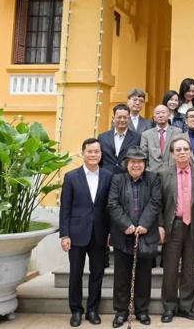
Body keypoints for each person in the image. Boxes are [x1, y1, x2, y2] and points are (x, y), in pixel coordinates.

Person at [59, 138, 113, 327]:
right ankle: (75, 310)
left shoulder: (108, 176)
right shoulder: (71, 177)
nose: (93, 155)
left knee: (97, 273)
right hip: (76, 234)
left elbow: (109, 208)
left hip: (99, 234)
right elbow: (65, 208)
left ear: (101, 154)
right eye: (90, 151)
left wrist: (110, 233)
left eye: (97, 152)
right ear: (83, 153)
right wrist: (64, 234)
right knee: (75, 274)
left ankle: (92, 310)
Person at [107, 147, 162, 328]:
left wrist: (143, 225)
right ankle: (121, 311)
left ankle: (142, 310)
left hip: (145, 234)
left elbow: (155, 202)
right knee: (121, 275)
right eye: (132, 162)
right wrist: (127, 225)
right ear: (126, 164)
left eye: (139, 162)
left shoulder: (153, 179)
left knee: (144, 275)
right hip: (124, 234)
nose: (136, 165)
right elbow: (112, 204)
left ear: (145, 164)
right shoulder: (117, 179)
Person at [157, 137, 194, 322]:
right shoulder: (163, 174)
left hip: (193, 227)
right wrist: (160, 225)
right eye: (178, 150)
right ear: (172, 154)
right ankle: (169, 307)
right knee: (171, 269)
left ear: (190, 152)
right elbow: (157, 203)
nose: (182, 152)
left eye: (185, 149)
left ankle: (186, 307)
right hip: (172, 225)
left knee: (190, 269)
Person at [99, 104, 141, 174]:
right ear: (113, 118)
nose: (122, 120)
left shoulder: (137, 138)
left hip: (127, 178)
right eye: (119, 117)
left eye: (125, 117)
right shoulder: (102, 137)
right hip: (106, 177)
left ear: (129, 119)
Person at [141, 104, 181, 170]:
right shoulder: (146, 135)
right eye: (158, 113)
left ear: (169, 115)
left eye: (163, 112)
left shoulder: (177, 132)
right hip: (152, 173)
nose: (161, 115)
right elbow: (143, 155)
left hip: (172, 172)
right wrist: (147, 170)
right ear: (154, 118)